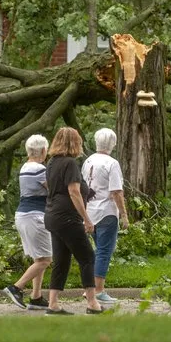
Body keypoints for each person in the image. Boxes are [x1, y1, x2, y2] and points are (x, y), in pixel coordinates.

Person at [44, 127, 104, 315]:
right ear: (74, 143)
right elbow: (73, 192)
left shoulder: (52, 162)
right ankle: (92, 303)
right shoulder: (70, 163)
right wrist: (87, 219)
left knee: (61, 260)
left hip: (53, 215)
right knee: (87, 257)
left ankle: (53, 304)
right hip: (67, 217)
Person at [3, 135, 53, 310]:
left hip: (25, 215)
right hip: (35, 217)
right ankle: (16, 287)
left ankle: (36, 297)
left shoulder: (25, 167)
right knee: (45, 260)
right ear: (43, 151)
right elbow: (54, 191)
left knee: (39, 258)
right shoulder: (39, 169)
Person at [81, 128, 128, 303]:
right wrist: (124, 215)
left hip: (90, 211)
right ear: (113, 144)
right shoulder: (112, 163)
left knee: (97, 251)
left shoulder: (88, 161)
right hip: (107, 212)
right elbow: (116, 191)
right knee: (104, 252)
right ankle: (98, 290)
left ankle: (91, 289)